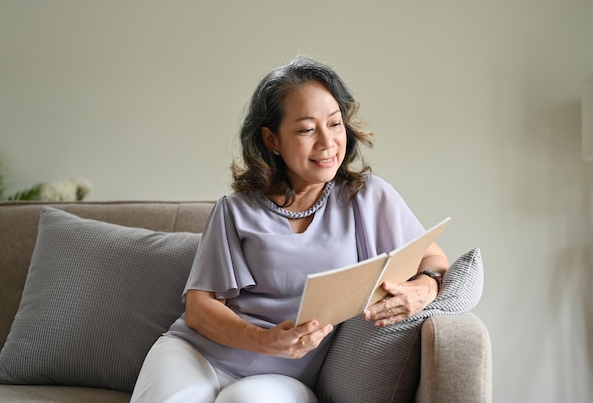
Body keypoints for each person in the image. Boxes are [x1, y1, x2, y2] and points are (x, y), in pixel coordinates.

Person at [130, 56, 449, 403]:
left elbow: (431, 255)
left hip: (280, 378)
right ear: (272, 140)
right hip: (195, 355)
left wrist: (425, 288)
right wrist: (262, 339)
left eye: (335, 124)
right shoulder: (236, 210)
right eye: (306, 129)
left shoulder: (367, 197)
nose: (327, 143)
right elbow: (199, 307)